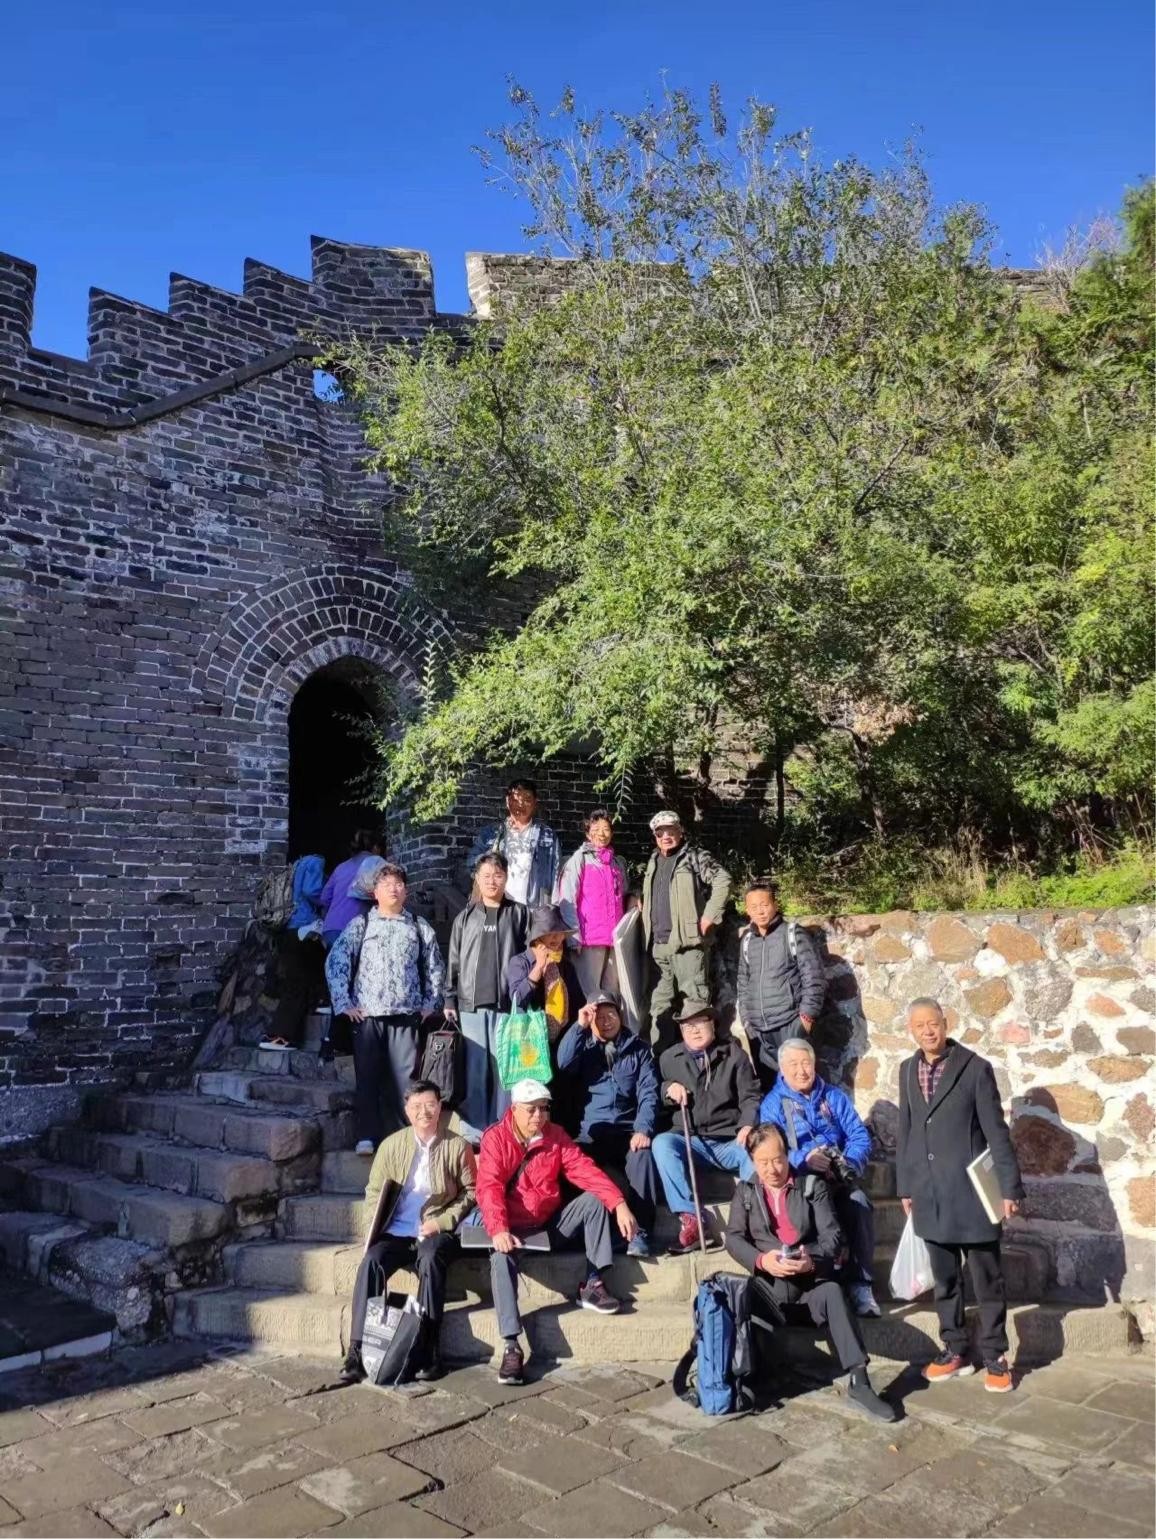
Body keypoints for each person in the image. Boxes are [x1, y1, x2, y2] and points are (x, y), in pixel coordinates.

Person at [725, 1123, 896, 1422]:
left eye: (778, 1160)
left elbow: (832, 1237)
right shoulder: (746, 1192)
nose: (772, 1169)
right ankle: (745, 1377)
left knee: (833, 1292)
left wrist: (810, 1260)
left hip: (809, 1290)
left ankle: (860, 1381)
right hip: (770, 1292)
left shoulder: (811, 1187)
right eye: (763, 1162)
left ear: (787, 1154)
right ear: (752, 1161)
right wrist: (762, 1260)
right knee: (737, 1295)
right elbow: (733, 1239)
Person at [897, 998, 1024, 1394]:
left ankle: (995, 1355)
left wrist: (1008, 1188)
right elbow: (907, 1130)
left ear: (945, 1024)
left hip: (972, 1197)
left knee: (988, 1280)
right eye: (919, 1025)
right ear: (911, 1031)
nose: (928, 1031)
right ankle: (955, 1350)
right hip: (929, 1194)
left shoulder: (974, 1068)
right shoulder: (907, 1070)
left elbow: (996, 1133)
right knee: (945, 1280)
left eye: (933, 1023)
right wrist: (905, 1185)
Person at [476, 1078, 638, 1385]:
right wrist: (498, 1229)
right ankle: (511, 1344)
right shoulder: (496, 1138)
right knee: (499, 1259)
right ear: (514, 1109)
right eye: (531, 1110)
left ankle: (592, 1283)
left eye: (543, 1108)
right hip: (512, 1229)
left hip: (548, 1223)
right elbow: (489, 1187)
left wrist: (618, 1203)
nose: (538, 1116)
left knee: (593, 1201)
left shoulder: (555, 1136)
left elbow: (584, 1170)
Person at [342, 1080, 476, 1385]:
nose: (423, 1112)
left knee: (430, 1258)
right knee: (372, 1261)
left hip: (435, 1228)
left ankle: (429, 1349)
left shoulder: (457, 1146)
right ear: (406, 1110)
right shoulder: (391, 1145)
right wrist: (374, 1228)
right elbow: (374, 1192)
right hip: (397, 1230)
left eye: (430, 1105)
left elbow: (471, 1191)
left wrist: (443, 1222)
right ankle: (356, 1349)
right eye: (416, 1106)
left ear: (440, 1107)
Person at [325, 862, 444, 1156]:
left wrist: (431, 1003)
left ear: (406, 891)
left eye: (399, 884)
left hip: (406, 1015)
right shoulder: (361, 924)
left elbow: (434, 966)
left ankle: (408, 1139)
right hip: (369, 1016)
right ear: (375, 892)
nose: (393, 889)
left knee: (407, 1082)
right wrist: (344, 1002)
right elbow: (337, 960)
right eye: (387, 884)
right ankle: (367, 1135)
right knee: (368, 1078)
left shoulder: (418, 926)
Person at [759, 1038, 880, 1317]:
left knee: (859, 1203)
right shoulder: (772, 1105)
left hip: (836, 1178)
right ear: (782, 1069)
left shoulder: (833, 1097)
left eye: (806, 1063)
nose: (801, 1071)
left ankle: (861, 1285)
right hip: (800, 1184)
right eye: (794, 1064)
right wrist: (805, 1159)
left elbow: (859, 1136)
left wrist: (846, 1162)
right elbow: (773, 1149)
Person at [555, 991, 660, 1257]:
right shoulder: (584, 1048)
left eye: (611, 1014)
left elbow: (648, 1092)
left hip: (627, 1131)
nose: (606, 1021)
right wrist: (579, 1026)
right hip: (591, 1132)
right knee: (570, 1163)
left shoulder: (638, 1049)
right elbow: (563, 1063)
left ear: (620, 1016)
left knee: (643, 1156)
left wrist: (643, 1129)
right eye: (599, 1017)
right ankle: (582, 1233)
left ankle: (640, 1232)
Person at [652, 1001, 761, 1254]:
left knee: (754, 1150)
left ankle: (753, 1220)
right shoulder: (668, 1059)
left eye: (700, 1022)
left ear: (712, 1025)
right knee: (662, 1144)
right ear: (681, 1030)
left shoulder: (734, 1055)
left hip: (729, 1140)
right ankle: (692, 1220)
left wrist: (747, 1125)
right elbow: (653, 1090)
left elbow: (750, 1097)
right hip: (690, 1140)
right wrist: (667, 1088)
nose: (694, 1029)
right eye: (688, 1025)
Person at [444, 853, 529, 1142]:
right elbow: (454, 960)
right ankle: (475, 1131)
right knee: (476, 1067)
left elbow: (529, 956)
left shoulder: (519, 914)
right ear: (477, 879)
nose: (492, 881)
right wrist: (449, 998)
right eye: (486, 876)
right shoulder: (465, 917)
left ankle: (505, 1128)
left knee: (505, 1068)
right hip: (471, 1003)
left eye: (498, 875)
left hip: (508, 1003)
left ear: (506, 878)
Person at [641, 811, 731, 1049]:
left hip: (688, 945)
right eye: (660, 833)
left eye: (671, 831)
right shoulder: (653, 860)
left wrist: (710, 914)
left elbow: (723, 879)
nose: (666, 836)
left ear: (680, 831)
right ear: (655, 836)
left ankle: (702, 1059)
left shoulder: (694, 856)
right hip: (659, 946)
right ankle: (662, 1059)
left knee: (695, 1005)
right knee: (659, 1007)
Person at [736, 880, 826, 1089]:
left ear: (775, 905)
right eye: (754, 907)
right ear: (747, 910)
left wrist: (806, 1018)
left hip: (790, 1024)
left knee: (802, 1085)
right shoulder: (747, 941)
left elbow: (814, 977)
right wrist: (747, 1021)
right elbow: (743, 982)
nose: (760, 911)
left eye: (764, 905)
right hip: (759, 1031)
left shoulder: (793, 933)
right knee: (771, 1089)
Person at [556, 810, 631, 1000]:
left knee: (612, 991)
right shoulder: (579, 860)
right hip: (589, 940)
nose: (601, 834)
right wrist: (573, 937)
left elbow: (624, 895)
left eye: (606, 829)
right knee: (589, 993)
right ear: (588, 833)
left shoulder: (616, 864)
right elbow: (567, 899)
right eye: (596, 829)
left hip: (614, 939)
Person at [262, 853, 326, 1050]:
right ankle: (281, 1035)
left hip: (287, 928)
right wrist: (331, 898)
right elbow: (311, 890)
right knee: (297, 983)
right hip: (304, 927)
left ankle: (285, 1033)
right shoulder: (315, 861)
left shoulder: (296, 865)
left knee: (296, 980)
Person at [468, 779, 560, 909]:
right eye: (516, 799)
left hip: (535, 909)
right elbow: (471, 863)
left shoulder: (547, 835)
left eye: (527, 799)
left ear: (535, 803)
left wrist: (552, 907)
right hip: (498, 907)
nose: (521, 804)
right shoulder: (492, 833)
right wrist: (492, 854)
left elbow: (556, 874)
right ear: (507, 801)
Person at [506, 904, 584, 1042]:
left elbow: (578, 1003)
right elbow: (517, 1001)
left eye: (560, 932)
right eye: (550, 932)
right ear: (538, 938)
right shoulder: (520, 962)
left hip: (563, 1039)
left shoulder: (566, 965)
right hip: (530, 1040)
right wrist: (538, 968)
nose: (556, 937)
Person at [319, 829, 385, 949]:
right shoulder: (378, 863)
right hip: (356, 929)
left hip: (331, 929)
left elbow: (324, 899)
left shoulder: (341, 867)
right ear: (375, 847)